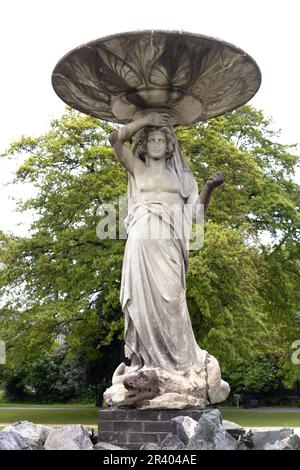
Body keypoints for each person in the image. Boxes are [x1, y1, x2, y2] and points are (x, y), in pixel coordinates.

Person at [105, 112, 229, 408]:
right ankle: (146, 365)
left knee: (172, 301)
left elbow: (197, 215)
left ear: (170, 145)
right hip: (141, 242)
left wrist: (209, 188)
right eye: (152, 139)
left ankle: (179, 367)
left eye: (162, 138)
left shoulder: (183, 178)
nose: (158, 143)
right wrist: (145, 119)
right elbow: (115, 139)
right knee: (143, 305)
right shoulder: (138, 169)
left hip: (170, 243)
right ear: (145, 145)